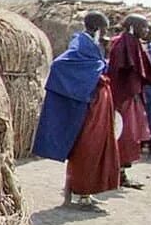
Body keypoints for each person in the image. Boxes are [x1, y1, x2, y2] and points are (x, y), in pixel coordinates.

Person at [33, 11, 120, 207]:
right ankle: (81, 194)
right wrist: (90, 80)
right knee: (85, 148)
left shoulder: (92, 45)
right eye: (104, 29)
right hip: (88, 108)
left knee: (94, 148)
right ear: (97, 28)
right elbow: (59, 65)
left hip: (96, 107)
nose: (106, 33)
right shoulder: (81, 44)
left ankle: (85, 193)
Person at [107, 14, 151, 187]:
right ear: (134, 27)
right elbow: (119, 70)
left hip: (131, 97)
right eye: (144, 27)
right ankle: (116, 174)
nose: (147, 30)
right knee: (124, 135)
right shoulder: (123, 43)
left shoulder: (132, 43)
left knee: (130, 136)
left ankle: (121, 173)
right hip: (123, 98)